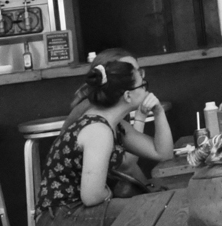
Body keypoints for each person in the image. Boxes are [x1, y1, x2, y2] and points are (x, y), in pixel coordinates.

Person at [36, 58, 173, 226]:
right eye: (143, 85)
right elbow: (92, 196)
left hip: (69, 215)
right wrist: (110, 194)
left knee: (160, 206)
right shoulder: (99, 130)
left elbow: (162, 152)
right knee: (157, 211)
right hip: (60, 221)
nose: (147, 90)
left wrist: (158, 113)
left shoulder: (113, 124)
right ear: (128, 95)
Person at [68, 47, 174, 194]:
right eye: (127, 72)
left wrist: (158, 112)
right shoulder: (93, 117)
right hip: (74, 209)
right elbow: (127, 165)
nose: (141, 79)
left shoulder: (112, 116)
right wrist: (140, 119)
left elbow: (164, 154)